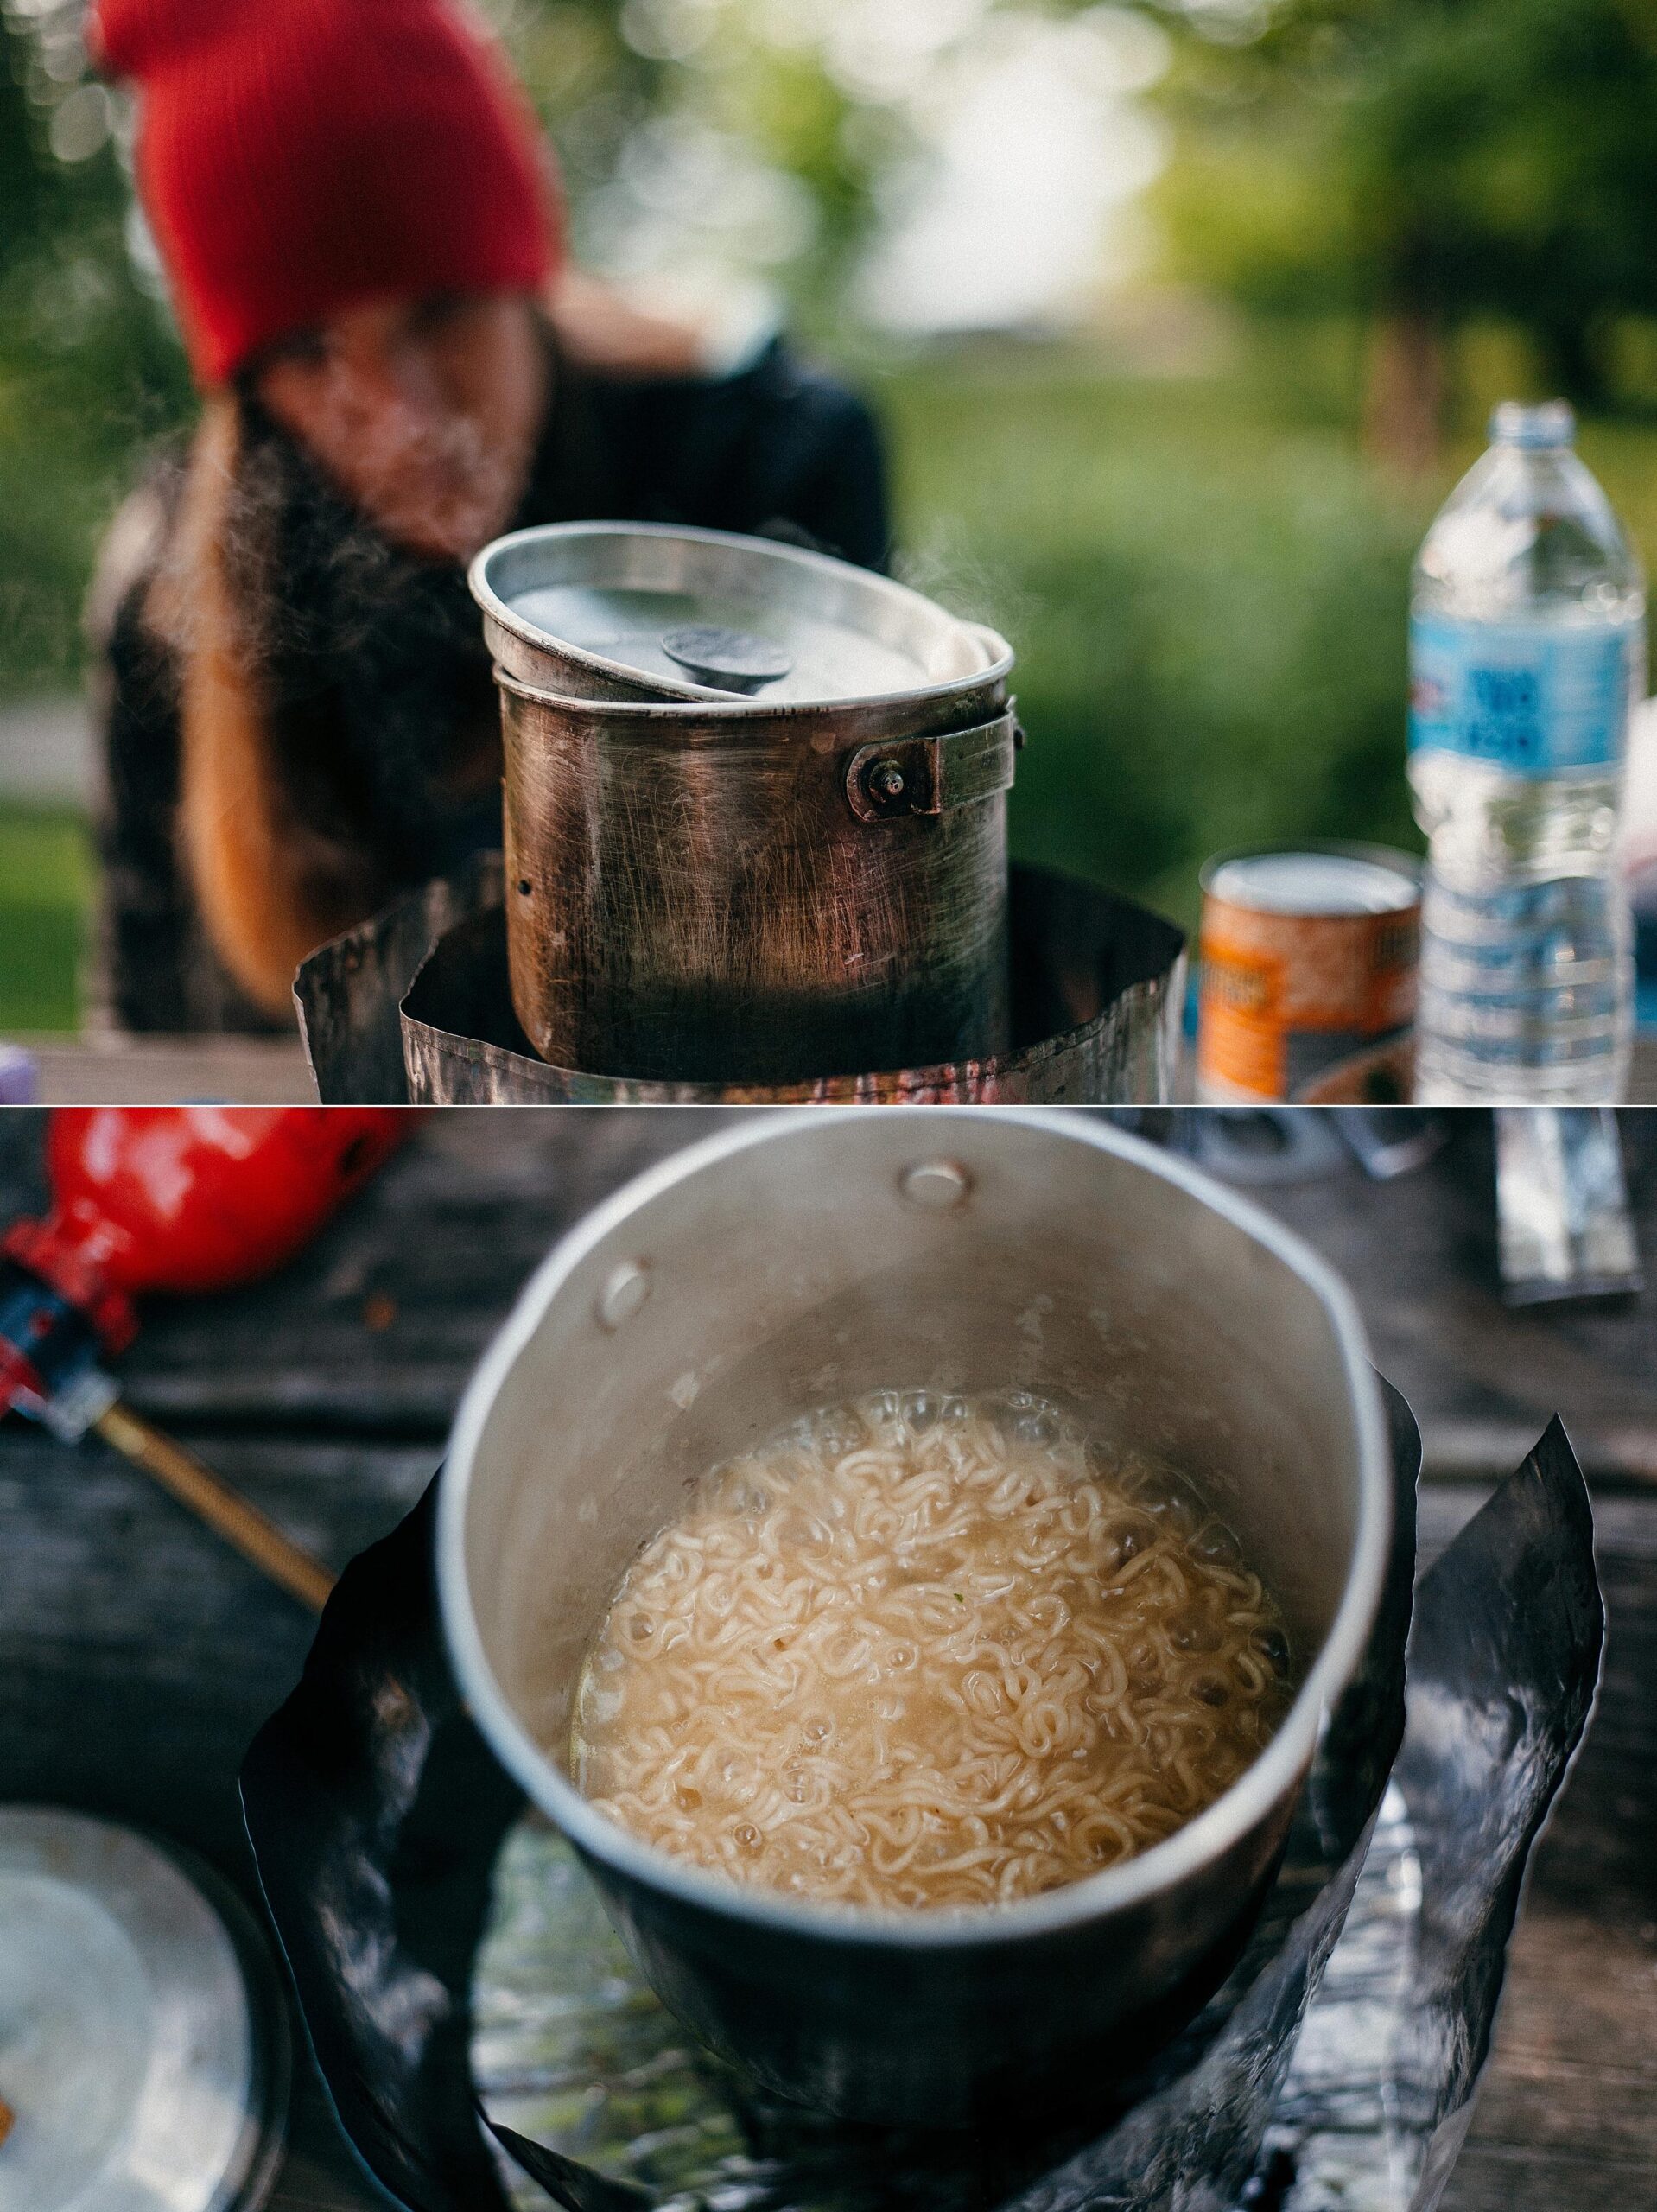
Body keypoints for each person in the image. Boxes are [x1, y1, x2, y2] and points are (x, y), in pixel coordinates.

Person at [86, 0, 890, 1033]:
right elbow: (145, 1033)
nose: (402, 420)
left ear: (527, 283)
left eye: (439, 314)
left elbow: (859, 946)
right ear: (248, 391)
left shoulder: (757, 463)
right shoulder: (172, 582)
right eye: (310, 353)